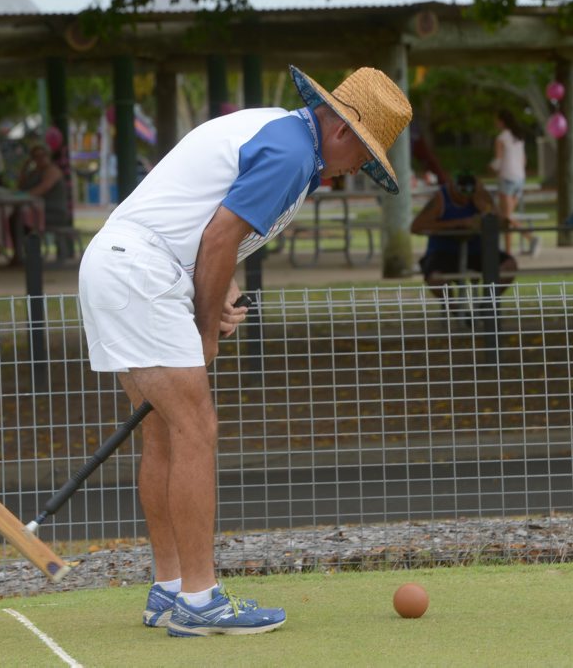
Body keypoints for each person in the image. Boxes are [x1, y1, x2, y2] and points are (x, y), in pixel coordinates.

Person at [78, 65, 411, 637]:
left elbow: (209, 227)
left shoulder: (278, 133)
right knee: (195, 427)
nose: (358, 170)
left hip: (121, 263)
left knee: (165, 431)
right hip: (141, 273)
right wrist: (206, 331)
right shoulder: (290, 155)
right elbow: (217, 237)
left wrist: (220, 287)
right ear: (343, 134)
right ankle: (201, 600)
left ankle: (171, 588)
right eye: (365, 158)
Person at [411, 171, 517, 325]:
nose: (465, 199)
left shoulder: (481, 197)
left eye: (469, 195)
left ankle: (485, 306)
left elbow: (504, 225)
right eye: (461, 195)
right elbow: (416, 227)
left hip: (478, 251)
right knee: (435, 278)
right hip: (444, 252)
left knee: (509, 266)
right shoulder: (441, 199)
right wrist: (458, 223)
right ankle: (458, 311)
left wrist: (486, 209)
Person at [488, 109, 537, 256]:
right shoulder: (518, 138)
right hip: (519, 179)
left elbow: (498, 161)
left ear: (502, 121)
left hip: (507, 178)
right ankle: (508, 250)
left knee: (506, 217)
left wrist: (489, 168)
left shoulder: (501, 138)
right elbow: (524, 160)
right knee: (507, 216)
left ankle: (530, 238)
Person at [17, 144, 69, 259]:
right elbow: (20, 186)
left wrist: (24, 196)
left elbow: (43, 188)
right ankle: (20, 254)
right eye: (36, 156)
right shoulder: (34, 172)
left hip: (54, 213)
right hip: (37, 211)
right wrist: (24, 167)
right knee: (16, 218)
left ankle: (32, 255)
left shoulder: (53, 171)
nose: (40, 159)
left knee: (23, 220)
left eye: (43, 155)